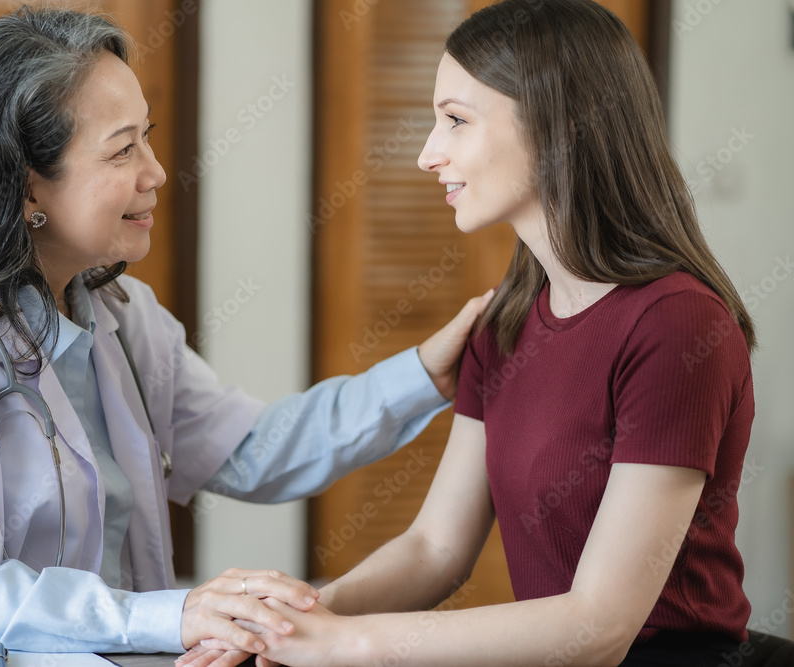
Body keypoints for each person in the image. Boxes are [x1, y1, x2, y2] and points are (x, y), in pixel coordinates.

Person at [0, 5, 492, 657]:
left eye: (147, 141)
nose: (157, 173)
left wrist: (424, 375)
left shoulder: (119, 314)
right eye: (123, 151)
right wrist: (171, 614)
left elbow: (252, 450)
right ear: (28, 185)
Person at [178, 1, 758, 666]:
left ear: (558, 126)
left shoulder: (675, 325)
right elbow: (435, 548)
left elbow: (599, 626)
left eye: (455, 120)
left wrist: (345, 642)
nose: (428, 154)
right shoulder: (505, 322)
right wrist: (290, 621)